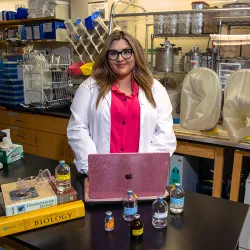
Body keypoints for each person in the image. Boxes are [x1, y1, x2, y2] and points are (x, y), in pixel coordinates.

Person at [67, 30, 176, 175]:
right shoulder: (89, 87)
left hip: (142, 174)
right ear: (107, 57)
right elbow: (77, 129)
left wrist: (143, 168)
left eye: (126, 52)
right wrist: (94, 169)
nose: (120, 58)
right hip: (102, 173)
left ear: (135, 54)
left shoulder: (156, 89)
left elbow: (165, 135)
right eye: (113, 53)